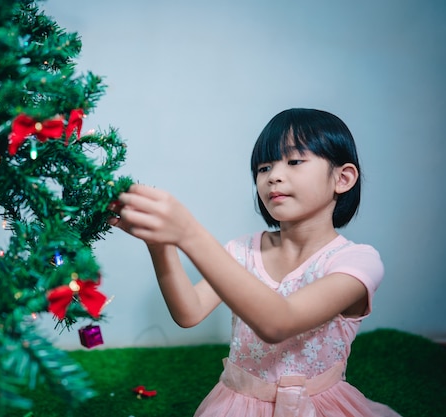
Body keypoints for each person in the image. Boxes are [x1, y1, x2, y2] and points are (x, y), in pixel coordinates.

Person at [108, 108, 402, 417]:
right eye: (263, 168)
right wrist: (161, 244)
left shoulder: (357, 262)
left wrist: (189, 233)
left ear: (343, 178)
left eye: (294, 161)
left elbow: (279, 322)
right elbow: (189, 312)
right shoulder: (243, 250)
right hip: (236, 404)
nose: (273, 175)